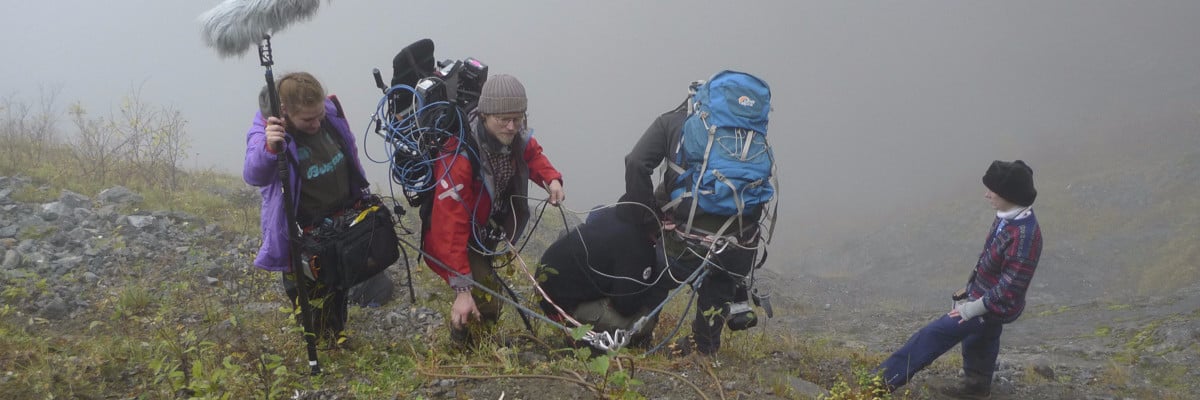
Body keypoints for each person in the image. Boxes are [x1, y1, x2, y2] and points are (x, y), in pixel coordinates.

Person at [619, 75, 771, 356]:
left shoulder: (671, 122)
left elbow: (636, 163)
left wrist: (648, 220)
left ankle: (640, 338)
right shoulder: (748, 134)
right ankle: (705, 350)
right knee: (719, 286)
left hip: (686, 242)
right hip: (739, 244)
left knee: (657, 276)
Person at [873, 160, 1043, 398]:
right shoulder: (1007, 216)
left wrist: (972, 308)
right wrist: (970, 287)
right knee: (980, 341)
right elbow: (990, 259)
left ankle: (877, 383)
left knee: (933, 335)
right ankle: (976, 387)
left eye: (992, 190)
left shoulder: (1025, 235)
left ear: (1009, 194)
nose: (987, 195)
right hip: (981, 297)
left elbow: (1010, 287)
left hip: (992, 305)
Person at [421, 74, 565, 344]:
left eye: (518, 118)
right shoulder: (459, 156)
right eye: (504, 119)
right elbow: (449, 227)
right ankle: (463, 347)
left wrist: (551, 179)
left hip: (482, 230)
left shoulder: (513, 137)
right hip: (456, 238)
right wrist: (462, 289)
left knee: (487, 297)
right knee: (484, 300)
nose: (512, 127)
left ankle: (478, 343)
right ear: (485, 115)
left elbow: (532, 154)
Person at [243, 71, 372, 348]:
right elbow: (253, 174)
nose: (316, 123)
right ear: (285, 112)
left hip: (339, 218)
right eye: (307, 120)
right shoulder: (267, 131)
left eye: (319, 116)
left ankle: (337, 330)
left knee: (338, 281)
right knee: (310, 287)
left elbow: (348, 151)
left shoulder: (328, 113)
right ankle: (321, 341)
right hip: (302, 231)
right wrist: (270, 146)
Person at [536, 204, 673, 350]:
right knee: (645, 320)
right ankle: (585, 336)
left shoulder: (616, 213)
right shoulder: (640, 249)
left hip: (545, 285)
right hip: (560, 308)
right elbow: (625, 306)